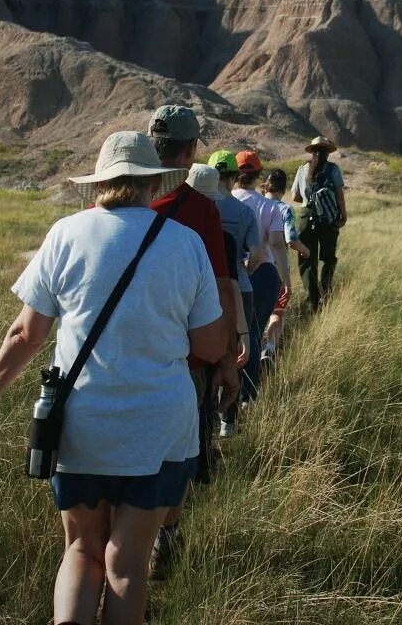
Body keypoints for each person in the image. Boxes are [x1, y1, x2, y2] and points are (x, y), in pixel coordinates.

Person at [0, 131, 224, 625]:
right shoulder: (186, 244)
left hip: (84, 423)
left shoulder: (66, 233)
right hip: (159, 425)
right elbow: (210, 347)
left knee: (82, 551)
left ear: (101, 182)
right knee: (127, 565)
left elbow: (25, 334)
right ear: (153, 183)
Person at [145, 105, 242, 577]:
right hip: (185, 358)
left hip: (115, 356)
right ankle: (164, 533)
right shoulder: (201, 210)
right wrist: (227, 357)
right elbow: (222, 288)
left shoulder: (111, 200)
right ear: (191, 150)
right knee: (178, 449)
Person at [205, 151, 267, 435]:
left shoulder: (202, 207)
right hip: (239, 287)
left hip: (204, 288)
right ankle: (227, 421)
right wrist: (244, 272)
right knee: (236, 353)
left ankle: (203, 414)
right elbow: (256, 254)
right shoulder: (244, 213)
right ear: (233, 177)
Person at [231, 151, 288, 395]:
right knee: (254, 332)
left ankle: (225, 394)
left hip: (228, 275)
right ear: (258, 175)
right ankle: (248, 393)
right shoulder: (269, 206)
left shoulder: (225, 201)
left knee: (229, 334)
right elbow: (276, 244)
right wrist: (286, 279)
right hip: (263, 273)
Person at [290, 136, 347, 312]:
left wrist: (309, 198)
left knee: (307, 260)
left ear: (312, 152)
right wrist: (343, 216)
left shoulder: (302, 169)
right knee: (329, 259)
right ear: (327, 153)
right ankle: (326, 295)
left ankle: (311, 302)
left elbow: (295, 197)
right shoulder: (333, 169)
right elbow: (339, 195)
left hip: (305, 217)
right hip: (328, 219)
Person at [261, 168, 310, 354]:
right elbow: (291, 240)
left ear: (265, 186)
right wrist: (304, 250)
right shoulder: (284, 209)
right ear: (284, 189)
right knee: (277, 313)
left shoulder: (254, 205)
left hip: (252, 267)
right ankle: (270, 349)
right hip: (276, 270)